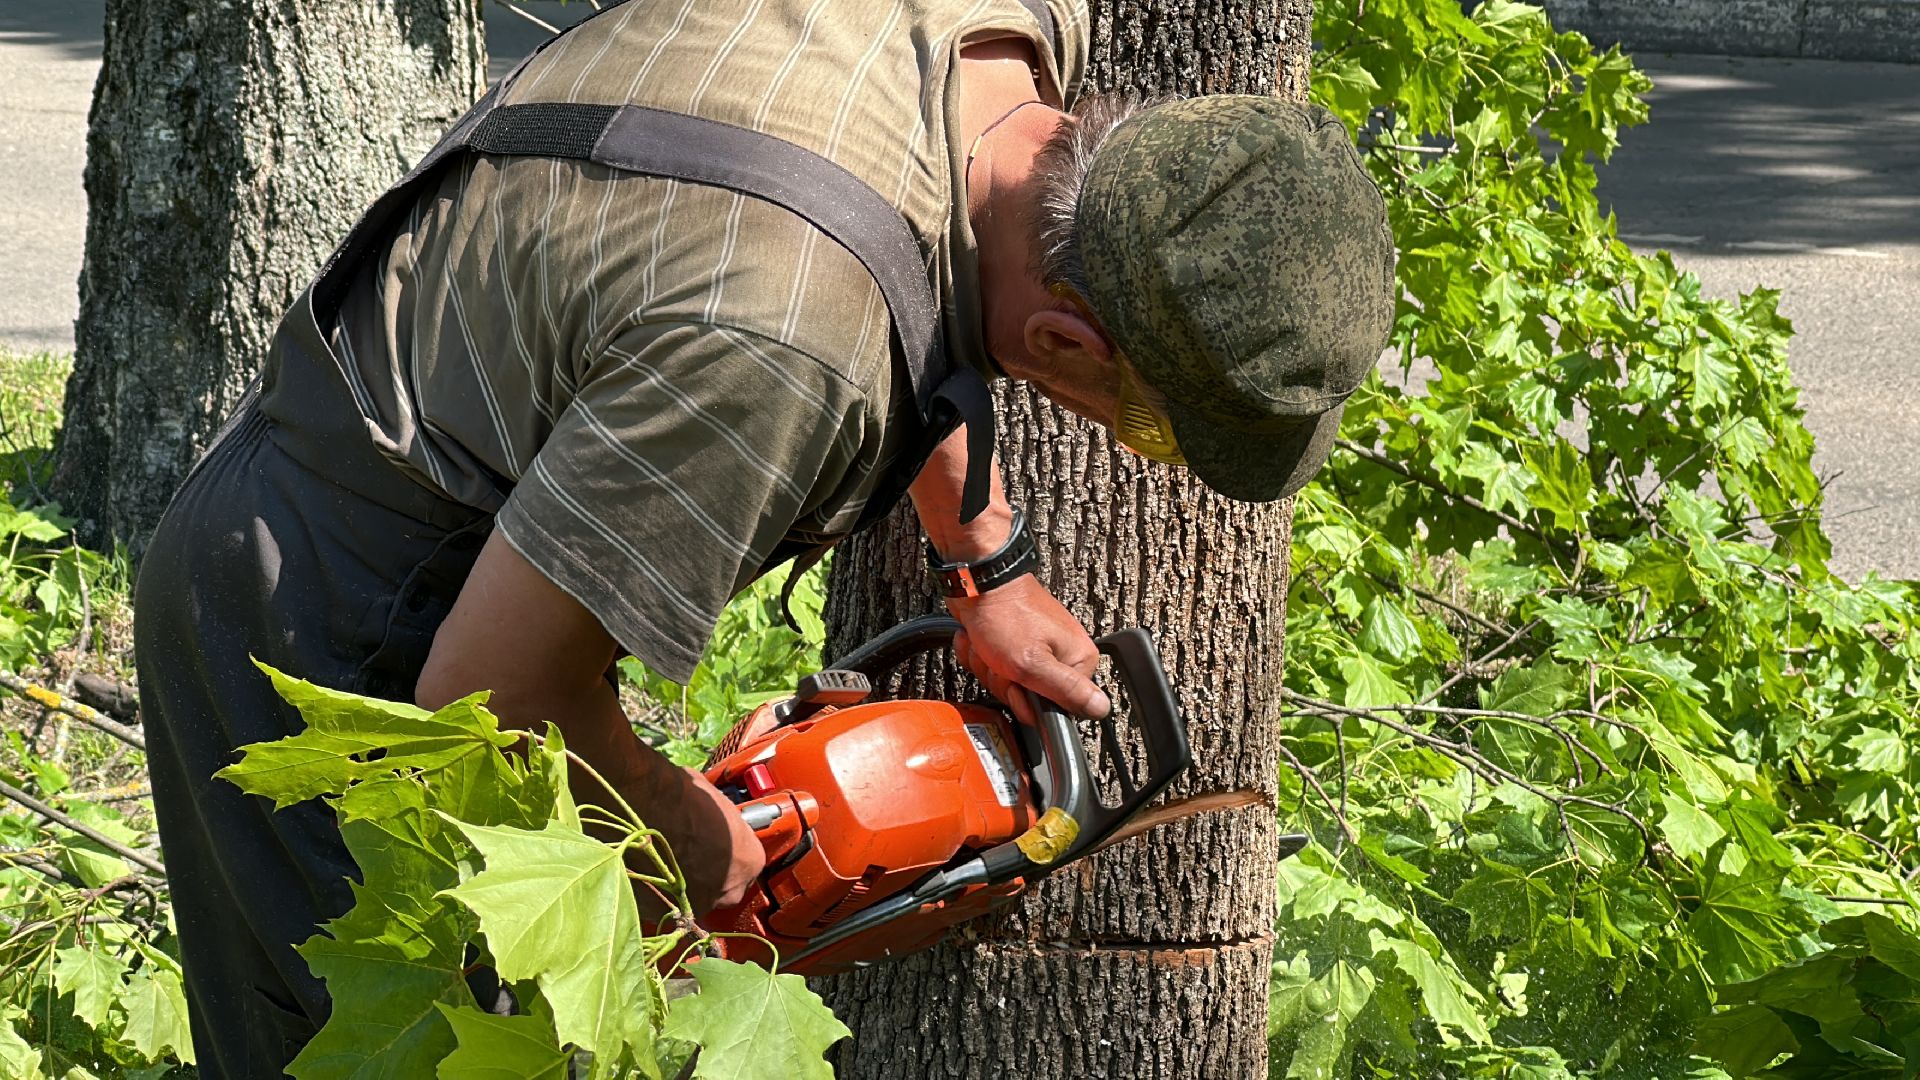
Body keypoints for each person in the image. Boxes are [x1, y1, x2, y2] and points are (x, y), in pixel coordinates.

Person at [131, 0, 1396, 1073]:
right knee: (375, 1048)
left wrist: (986, 561)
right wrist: (693, 836)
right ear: (1065, 340)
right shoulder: (783, 350)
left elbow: (919, 265)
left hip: (473, 484)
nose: (1134, 447)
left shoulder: (997, 35)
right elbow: (493, 692)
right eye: (1152, 429)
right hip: (319, 606)